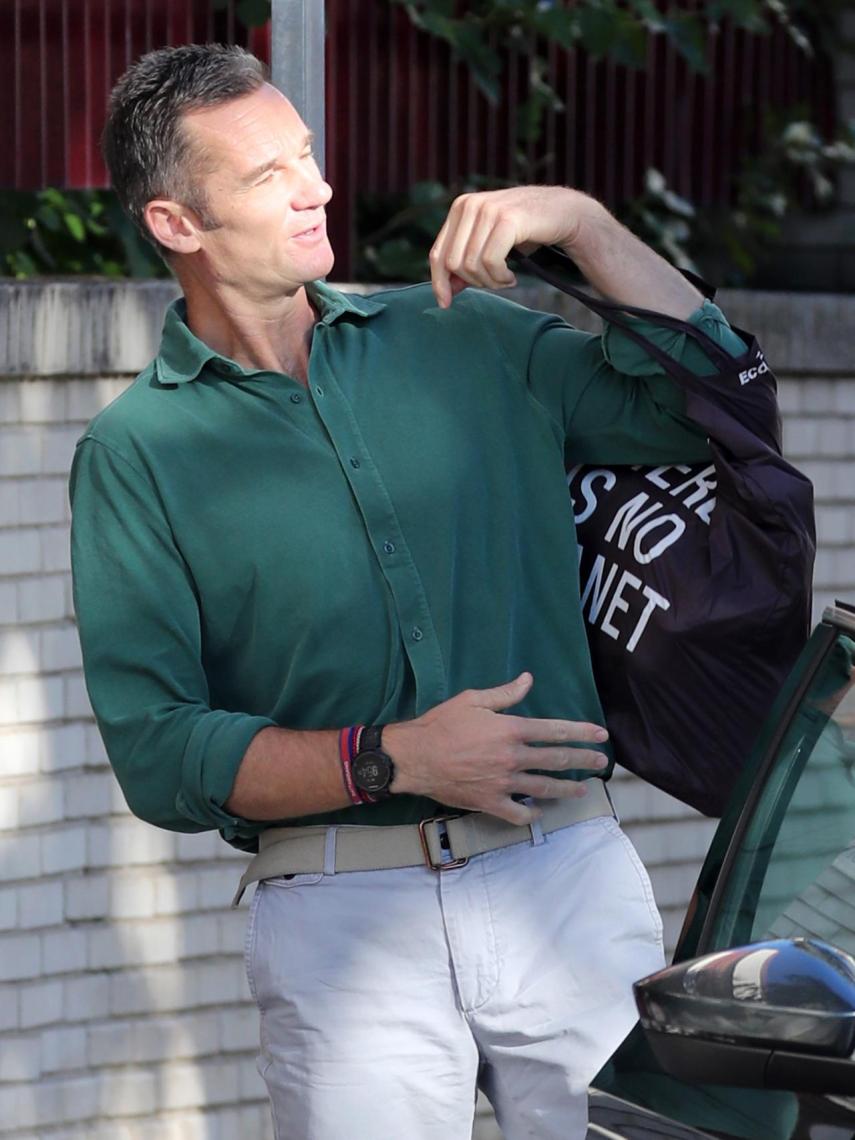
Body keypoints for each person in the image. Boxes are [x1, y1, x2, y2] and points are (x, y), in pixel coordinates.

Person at [70, 43, 747, 1140]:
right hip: (339, 915)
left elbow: (713, 398)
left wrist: (581, 224)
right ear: (176, 223)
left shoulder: (463, 335)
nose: (317, 187)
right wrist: (391, 758)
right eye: (270, 174)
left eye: (307, 154)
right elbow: (158, 750)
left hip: (563, 878)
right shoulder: (137, 452)